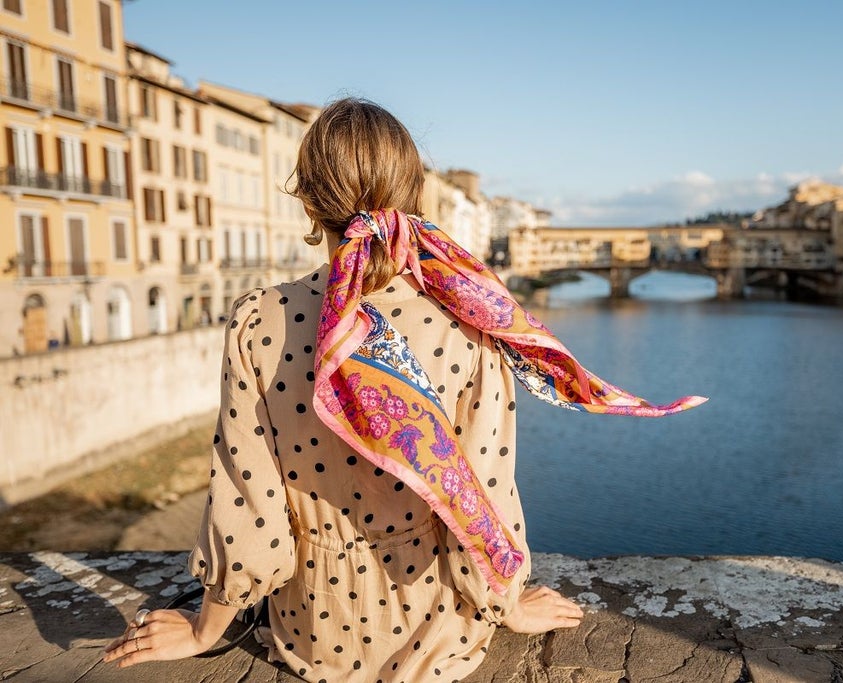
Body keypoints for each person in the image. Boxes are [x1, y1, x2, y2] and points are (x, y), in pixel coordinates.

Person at [104, 98, 705, 681]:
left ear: (310, 204)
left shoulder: (259, 322)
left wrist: (206, 631)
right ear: (413, 199)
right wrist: (509, 603)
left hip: (311, 633)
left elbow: (247, 503)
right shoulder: (467, 320)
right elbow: (484, 493)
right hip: (441, 631)